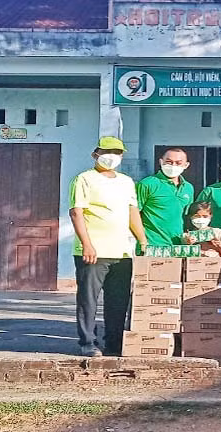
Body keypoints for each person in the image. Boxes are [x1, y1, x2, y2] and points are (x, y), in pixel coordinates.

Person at [69, 136, 147, 358]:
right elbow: (77, 212)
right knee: (88, 299)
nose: (111, 156)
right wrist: (87, 244)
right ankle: (88, 343)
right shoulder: (84, 179)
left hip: (122, 252)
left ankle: (114, 343)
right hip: (93, 252)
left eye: (117, 152)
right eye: (107, 151)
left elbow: (133, 212)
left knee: (118, 300)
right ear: (96, 154)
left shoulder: (126, 182)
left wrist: (142, 239)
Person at [136, 148, 194, 246]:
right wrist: (142, 240)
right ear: (161, 162)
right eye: (169, 162)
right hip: (152, 245)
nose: (173, 166)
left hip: (178, 246)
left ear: (186, 165)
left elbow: (187, 216)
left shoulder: (188, 187)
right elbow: (134, 213)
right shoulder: (147, 184)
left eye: (178, 163)